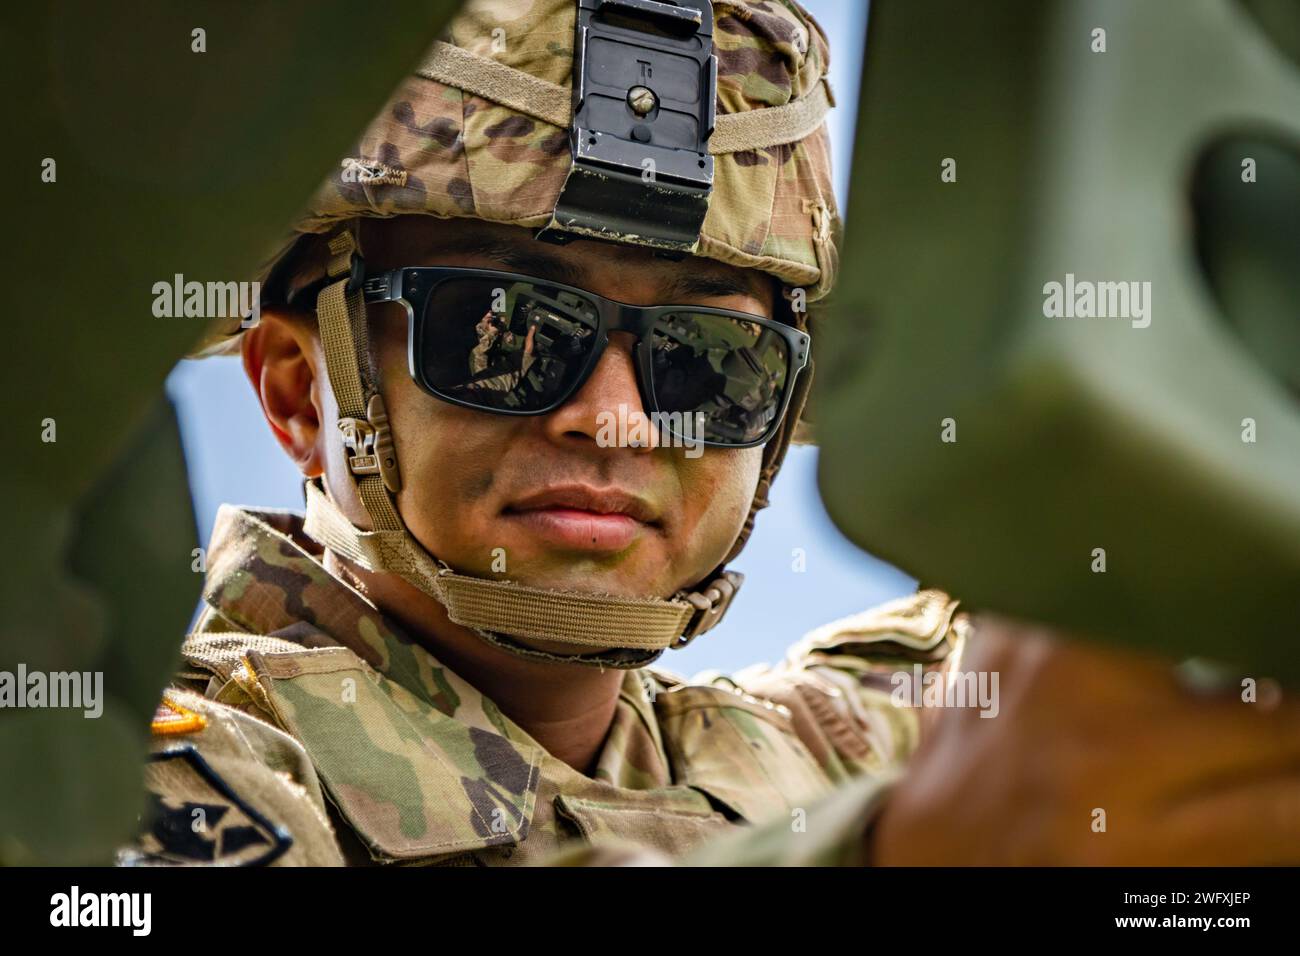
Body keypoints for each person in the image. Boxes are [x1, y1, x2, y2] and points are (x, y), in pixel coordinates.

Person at [121, 0, 1300, 867]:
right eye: (509, 330)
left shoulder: (825, 741)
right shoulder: (149, 775)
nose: (617, 416)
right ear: (294, 392)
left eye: (711, 360)